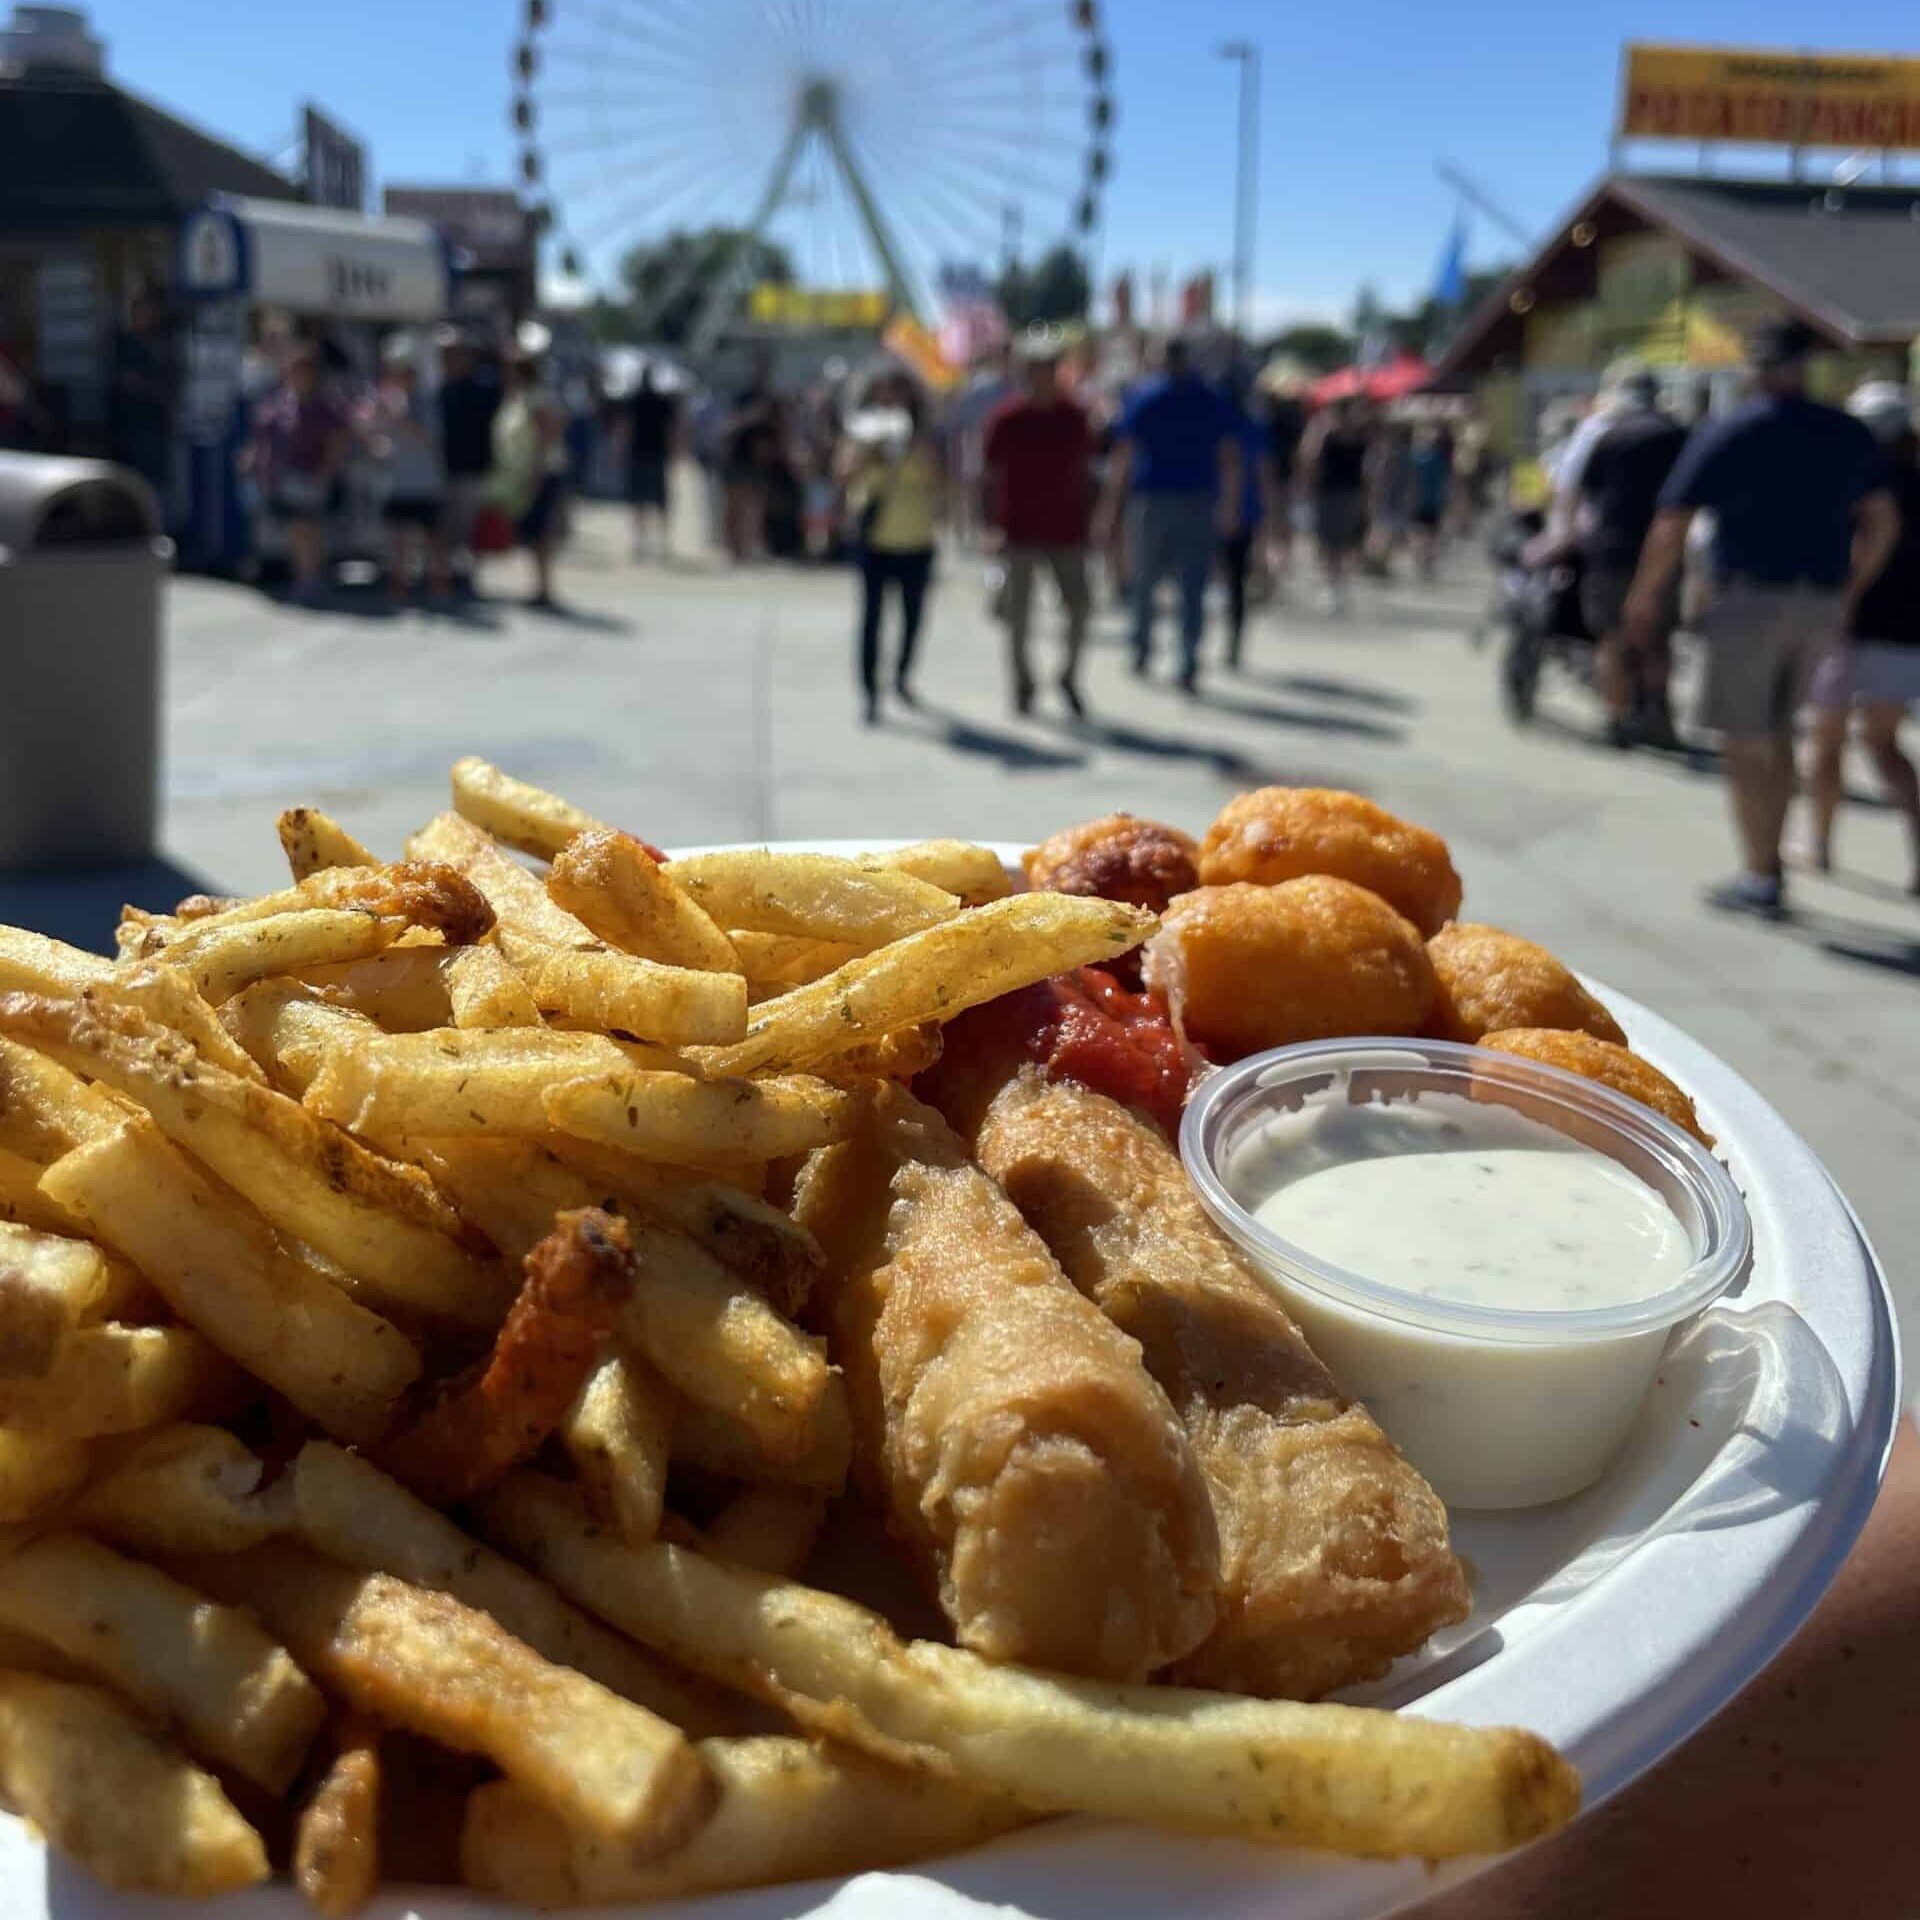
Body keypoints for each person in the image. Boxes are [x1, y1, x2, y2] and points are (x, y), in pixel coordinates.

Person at [1623, 320, 1900, 918]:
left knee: (1747, 740)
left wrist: (1645, 595)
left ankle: (1761, 873)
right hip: (1820, 601)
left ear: (1755, 365)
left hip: (1748, 600)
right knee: (1778, 732)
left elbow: (1672, 523)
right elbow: (1882, 519)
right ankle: (1769, 864)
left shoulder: (1731, 429)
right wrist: (1850, 587)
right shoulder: (1845, 431)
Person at [1804, 383, 1920, 894]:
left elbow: (1852, 547)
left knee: (1826, 739)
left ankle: (1821, 846)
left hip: (1844, 625)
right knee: (1884, 745)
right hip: (1903, 629)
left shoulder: (1851, 481)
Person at [1097, 336, 1241, 693]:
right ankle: (1186, 657)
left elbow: (1123, 457)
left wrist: (1110, 508)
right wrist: (1229, 505)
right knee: (1190, 584)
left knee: (1146, 579)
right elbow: (1230, 458)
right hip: (1194, 500)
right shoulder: (1209, 397)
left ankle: (1144, 648)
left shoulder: (1145, 396)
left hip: (1154, 500)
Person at [1568, 361, 1688, 748]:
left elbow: (1586, 492)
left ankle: (1616, 718)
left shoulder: (1609, 436)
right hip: (1663, 548)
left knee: (1612, 638)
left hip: (1612, 549)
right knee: (1657, 636)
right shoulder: (1678, 435)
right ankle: (1658, 718)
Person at [980, 330, 1094, 716]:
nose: (1041, 375)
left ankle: (1068, 676)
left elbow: (1089, 474)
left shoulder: (1076, 417)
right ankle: (1023, 684)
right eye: (1034, 368)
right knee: (1017, 617)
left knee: (1080, 608)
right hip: (1018, 531)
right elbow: (987, 478)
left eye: (1048, 367)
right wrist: (988, 526)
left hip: (1067, 530)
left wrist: (1096, 522)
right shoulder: (1006, 420)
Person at [839, 372, 942, 725]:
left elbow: (937, 480)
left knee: (912, 618)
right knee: (872, 619)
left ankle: (901, 675)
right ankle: (870, 689)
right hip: (875, 541)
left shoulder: (922, 438)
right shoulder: (861, 435)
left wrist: (911, 449)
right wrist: (869, 454)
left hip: (916, 539)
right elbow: (843, 475)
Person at [251, 344, 349, 603]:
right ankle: (303, 577)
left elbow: (337, 442)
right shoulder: (277, 404)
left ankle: (312, 578)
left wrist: (327, 472)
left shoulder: (324, 406)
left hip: (313, 476)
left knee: (310, 528)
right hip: (285, 477)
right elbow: (264, 440)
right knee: (296, 529)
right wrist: (261, 469)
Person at [488, 350, 569, 609]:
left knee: (539, 531)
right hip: (520, 473)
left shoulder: (536, 398)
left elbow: (548, 435)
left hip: (539, 473)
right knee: (530, 532)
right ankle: (538, 585)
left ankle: (543, 587)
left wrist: (536, 472)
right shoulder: (518, 397)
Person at [367, 344, 446, 602]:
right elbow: (375, 436)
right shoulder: (387, 402)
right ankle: (399, 584)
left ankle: (438, 584)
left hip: (424, 481)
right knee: (398, 537)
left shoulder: (426, 402)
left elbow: (431, 438)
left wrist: (402, 419)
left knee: (432, 537)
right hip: (397, 480)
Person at [436, 335, 500, 593]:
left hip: (473, 469)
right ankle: (449, 573)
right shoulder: (442, 390)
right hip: (445, 469)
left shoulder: (484, 389)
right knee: (447, 528)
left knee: (470, 527)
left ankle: (469, 576)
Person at [1218, 378, 1272, 669]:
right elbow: (1265, 475)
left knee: (1226, 582)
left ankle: (1226, 642)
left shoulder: (1218, 428)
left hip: (1219, 514)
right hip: (1244, 515)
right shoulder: (1254, 428)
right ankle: (1233, 643)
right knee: (1236, 583)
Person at [1301, 395, 1371, 613]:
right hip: (1343, 493)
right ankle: (1337, 585)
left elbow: (1308, 457)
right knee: (1337, 542)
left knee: (1333, 542)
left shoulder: (1329, 435)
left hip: (1336, 493)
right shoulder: (1358, 435)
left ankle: (1335, 586)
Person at [108, 288, 176, 509]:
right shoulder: (125, 344)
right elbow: (128, 382)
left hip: (155, 426)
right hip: (130, 428)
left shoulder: (161, 343)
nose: (147, 316)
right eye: (141, 312)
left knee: (156, 486)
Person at [619, 361, 680, 561]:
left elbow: (627, 428)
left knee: (643, 501)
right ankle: (658, 543)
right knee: (655, 502)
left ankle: (645, 543)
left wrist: (620, 451)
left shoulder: (636, 400)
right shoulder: (660, 401)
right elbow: (671, 430)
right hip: (653, 454)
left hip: (643, 454)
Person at [724, 350, 779, 561]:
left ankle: (749, 546)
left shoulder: (771, 398)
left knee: (756, 507)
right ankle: (734, 547)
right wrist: (751, 415)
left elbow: (777, 431)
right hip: (739, 458)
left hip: (760, 462)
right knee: (735, 505)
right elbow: (728, 427)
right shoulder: (742, 396)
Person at [1408, 422, 1453, 581]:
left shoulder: (1415, 458)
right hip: (1434, 501)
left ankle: (1421, 559)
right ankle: (1427, 561)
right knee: (1431, 535)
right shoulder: (1439, 459)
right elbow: (1446, 481)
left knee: (1418, 533)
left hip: (1419, 501)